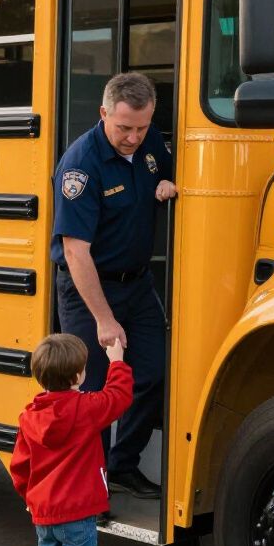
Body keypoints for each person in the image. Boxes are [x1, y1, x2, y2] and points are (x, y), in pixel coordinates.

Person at [51, 71, 177, 500]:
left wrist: (169, 183)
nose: (133, 138)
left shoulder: (150, 143)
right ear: (104, 113)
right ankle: (92, 489)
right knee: (92, 390)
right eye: (124, 127)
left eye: (142, 127)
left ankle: (124, 465)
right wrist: (104, 320)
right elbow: (75, 251)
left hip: (137, 284)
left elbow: (173, 169)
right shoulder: (81, 165)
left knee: (154, 373)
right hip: (89, 288)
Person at [10, 332, 132, 546]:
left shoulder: (30, 417)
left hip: (44, 514)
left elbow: (19, 467)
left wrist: (29, 497)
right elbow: (119, 397)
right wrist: (117, 360)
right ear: (78, 375)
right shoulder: (85, 409)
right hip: (78, 514)